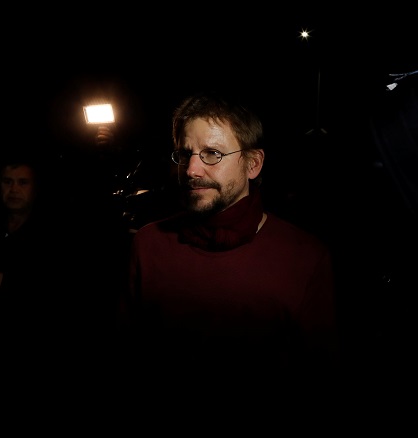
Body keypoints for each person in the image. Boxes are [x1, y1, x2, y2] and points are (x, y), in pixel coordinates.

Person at [124, 91, 339, 416]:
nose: (192, 169)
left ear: (253, 163)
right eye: (185, 154)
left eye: (212, 153)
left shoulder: (304, 258)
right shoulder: (149, 244)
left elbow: (319, 382)